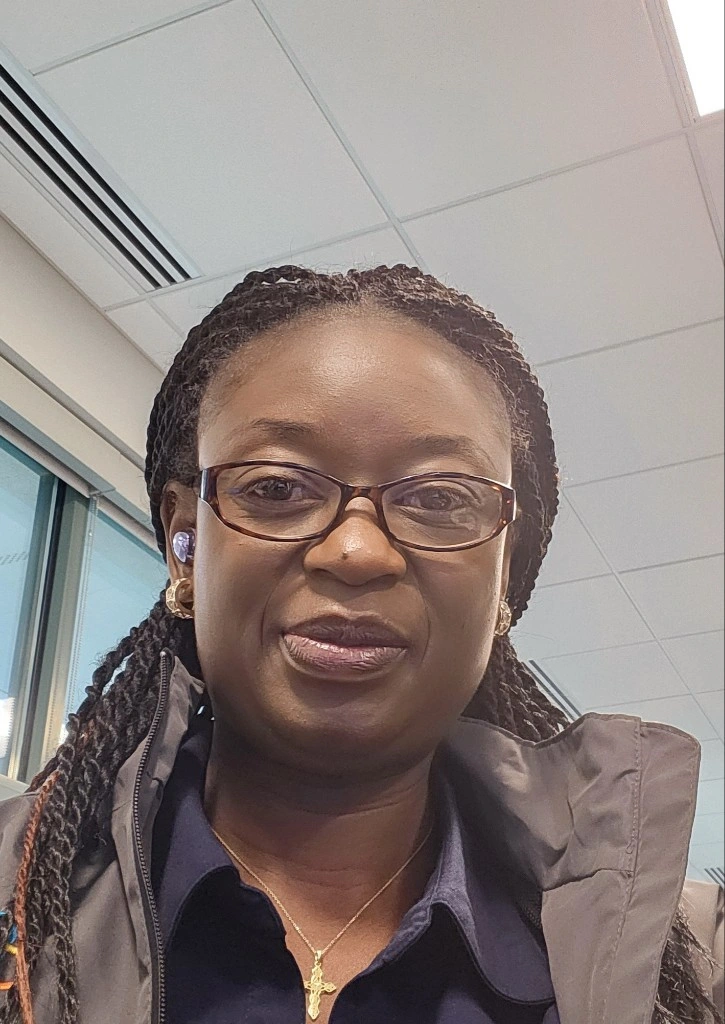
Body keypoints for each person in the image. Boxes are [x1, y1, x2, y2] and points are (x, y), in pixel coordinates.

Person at [0, 265, 722, 1024]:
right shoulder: (18, 894)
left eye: (438, 497)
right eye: (277, 487)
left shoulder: (687, 973)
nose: (356, 552)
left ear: (505, 572)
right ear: (186, 543)